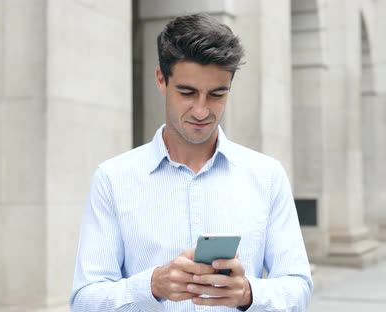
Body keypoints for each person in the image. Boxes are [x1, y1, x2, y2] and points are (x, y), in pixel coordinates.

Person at [70, 13, 313, 311]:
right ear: (161, 79)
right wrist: (152, 285)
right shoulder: (113, 179)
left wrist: (248, 293)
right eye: (187, 93)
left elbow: (298, 286)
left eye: (216, 94)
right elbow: (84, 300)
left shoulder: (267, 176)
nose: (201, 111)